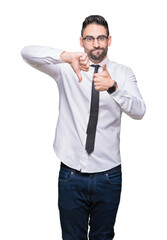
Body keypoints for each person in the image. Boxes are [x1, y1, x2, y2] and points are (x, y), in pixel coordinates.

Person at [21, 15, 146, 240]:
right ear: (81, 41)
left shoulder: (123, 73)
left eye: (100, 38)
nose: (96, 43)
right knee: (71, 237)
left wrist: (114, 88)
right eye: (90, 38)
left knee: (104, 236)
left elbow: (139, 111)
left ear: (109, 40)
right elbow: (27, 53)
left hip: (109, 176)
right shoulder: (65, 69)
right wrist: (64, 56)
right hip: (70, 175)